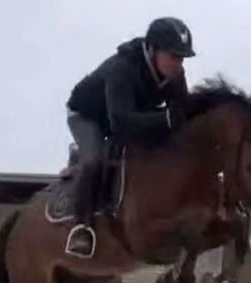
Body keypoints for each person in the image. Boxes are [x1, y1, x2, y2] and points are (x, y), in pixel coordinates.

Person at [63, 17, 196, 258]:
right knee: (94, 161)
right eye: (173, 56)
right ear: (152, 49)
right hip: (88, 116)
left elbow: (181, 114)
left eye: (182, 57)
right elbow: (121, 123)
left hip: (127, 112)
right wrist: (166, 119)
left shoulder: (175, 75)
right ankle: (81, 226)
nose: (178, 63)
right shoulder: (121, 69)